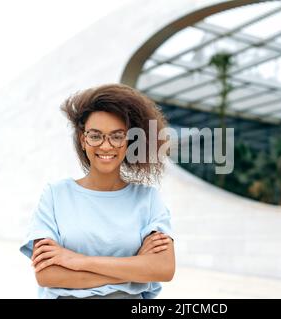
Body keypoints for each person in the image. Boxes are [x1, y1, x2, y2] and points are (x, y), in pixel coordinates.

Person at [19, 84, 175, 299]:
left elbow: (163, 268)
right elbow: (48, 274)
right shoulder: (56, 195)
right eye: (95, 136)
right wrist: (135, 269)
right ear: (83, 140)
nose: (106, 146)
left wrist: (78, 261)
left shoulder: (147, 199)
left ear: (129, 141)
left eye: (117, 136)